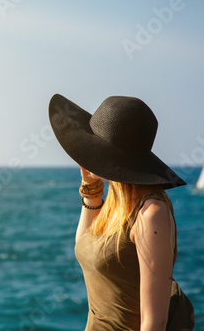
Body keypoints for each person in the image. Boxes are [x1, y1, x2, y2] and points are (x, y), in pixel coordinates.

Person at [49, 94, 188, 331]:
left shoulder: (150, 213)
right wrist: (91, 188)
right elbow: (84, 244)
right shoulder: (115, 199)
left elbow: (154, 322)